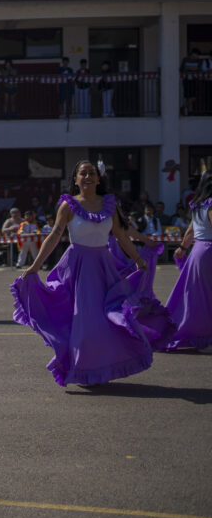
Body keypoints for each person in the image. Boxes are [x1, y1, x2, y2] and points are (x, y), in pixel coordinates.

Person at [11, 160, 176, 387]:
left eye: (92, 173)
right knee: (84, 320)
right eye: (83, 173)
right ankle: (83, 368)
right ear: (76, 180)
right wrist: (35, 267)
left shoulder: (109, 204)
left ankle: (99, 366)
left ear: (99, 179)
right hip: (77, 268)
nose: (88, 176)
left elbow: (120, 234)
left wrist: (138, 260)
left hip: (103, 267)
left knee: (106, 320)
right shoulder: (68, 205)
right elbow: (55, 236)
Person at [162, 172, 212, 352]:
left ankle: (199, 336)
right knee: (206, 298)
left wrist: (183, 249)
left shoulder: (198, 204)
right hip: (209, 251)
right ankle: (205, 339)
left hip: (197, 251)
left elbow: (191, 230)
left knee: (198, 296)